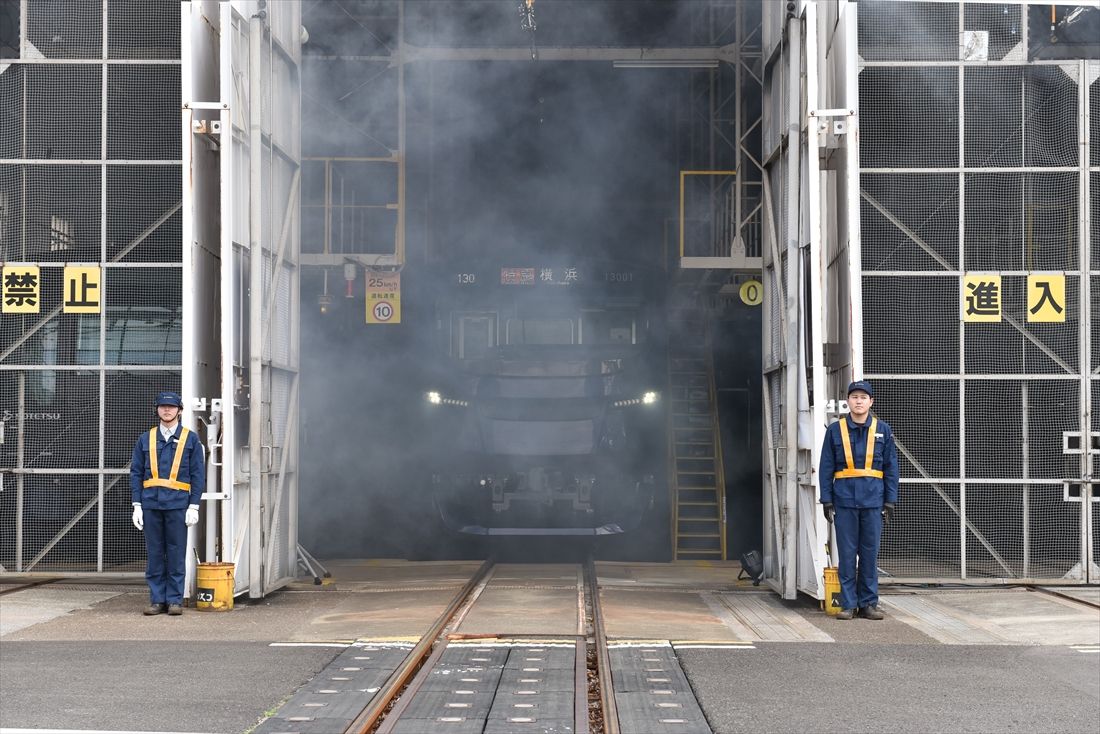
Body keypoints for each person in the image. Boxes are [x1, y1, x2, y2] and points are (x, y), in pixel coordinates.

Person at [819, 380, 898, 620]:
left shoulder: (883, 429)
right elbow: (826, 467)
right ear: (848, 402)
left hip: (874, 501)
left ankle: (868, 604)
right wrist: (827, 499)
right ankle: (848, 605)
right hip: (844, 500)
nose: (859, 401)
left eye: (864, 397)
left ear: (871, 402)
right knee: (846, 553)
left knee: (869, 554)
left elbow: (891, 468)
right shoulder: (835, 430)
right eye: (854, 397)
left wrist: (890, 500)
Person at [130, 391, 205, 615]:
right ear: (157, 410)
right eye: (162, 406)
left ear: (179, 410)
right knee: (154, 553)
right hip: (151, 504)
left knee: (175, 552)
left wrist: (194, 505)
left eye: (171, 407)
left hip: (178, 505)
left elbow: (197, 475)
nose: (167, 410)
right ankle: (157, 600)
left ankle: (174, 601)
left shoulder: (190, 439)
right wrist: (137, 504)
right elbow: (135, 473)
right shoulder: (146, 438)